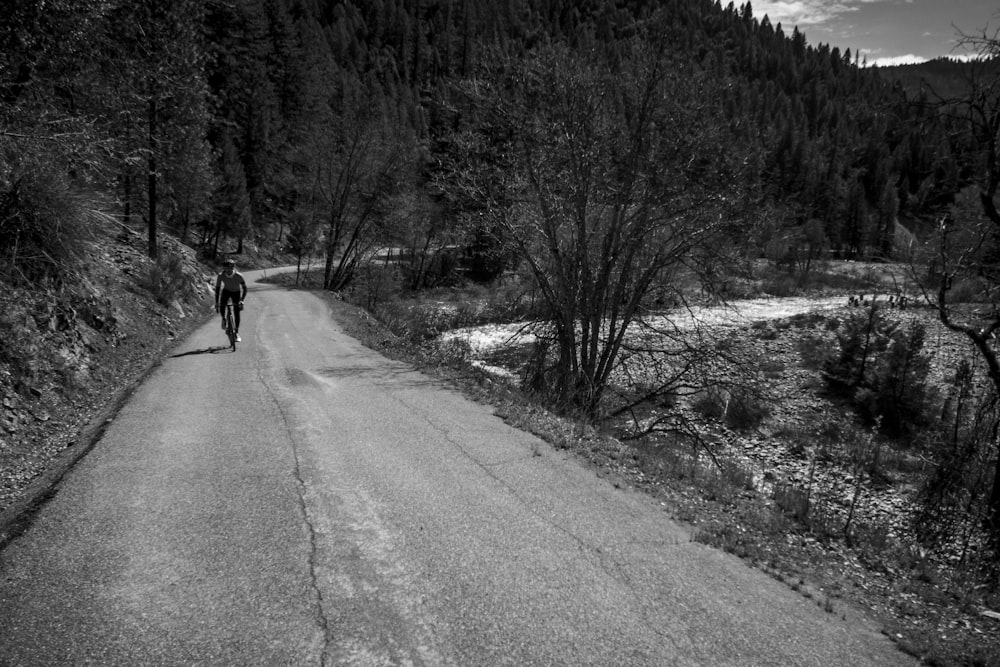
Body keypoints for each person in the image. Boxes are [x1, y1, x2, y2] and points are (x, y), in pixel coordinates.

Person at [214, 258, 247, 342]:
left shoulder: (239, 276)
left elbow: (245, 289)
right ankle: (224, 319)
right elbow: (217, 289)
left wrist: (242, 300)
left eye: (230, 268)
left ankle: (236, 332)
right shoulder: (221, 276)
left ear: (233, 268)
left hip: (236, 293)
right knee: (222, 306)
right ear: (224, 268)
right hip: (226, 292)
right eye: (226, 268)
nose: (228, 270)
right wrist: (217, 302)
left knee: (237, 312)